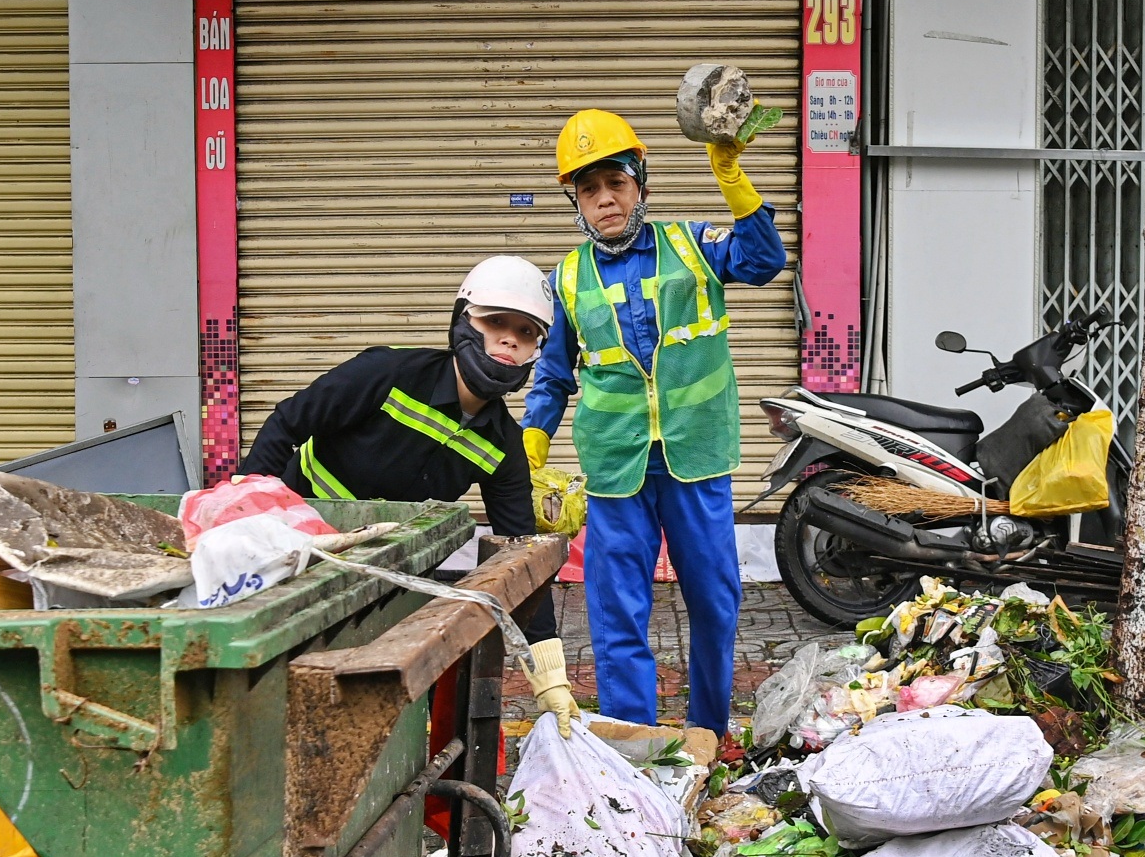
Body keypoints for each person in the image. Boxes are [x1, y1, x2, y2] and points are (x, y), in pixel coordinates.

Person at [523, 109, 786, 736]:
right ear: (575, 203)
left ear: (640, 182)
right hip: (616, 466)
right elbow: (555, 374)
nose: (605, 200)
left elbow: (764, 259)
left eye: (616, 182)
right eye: (589, 190)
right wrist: (529, 451)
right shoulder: (564, 278)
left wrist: (731, 173)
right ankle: (634, 748)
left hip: (695, 456)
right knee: (616, 617)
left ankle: (709, 732)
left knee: (716, 606)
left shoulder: (692, 245)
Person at [240, 255, 582, 734]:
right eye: (495, 322)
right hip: (299, 550)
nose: (509, 338)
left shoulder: (503, 446)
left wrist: (549, 675)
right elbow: (286, 424)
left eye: (526, 332)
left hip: (389, 572)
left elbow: (520, 556)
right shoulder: (388, 372)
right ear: (463, 321)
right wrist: (242, 518)